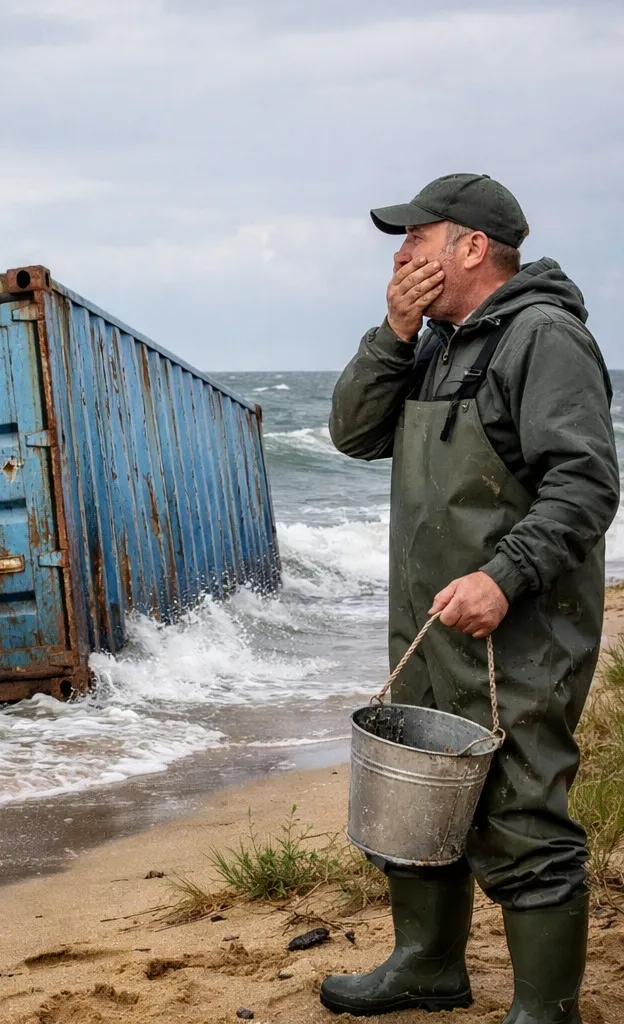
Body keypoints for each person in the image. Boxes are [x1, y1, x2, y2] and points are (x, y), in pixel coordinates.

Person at [324, 173, 619, 1023]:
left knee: (521, 811)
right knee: (417, 800)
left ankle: (544, 1009)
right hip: (428, 624)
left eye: (418, 235)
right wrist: (393, 332)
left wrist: (504, 575)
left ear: (472, 248)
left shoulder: (544, 337)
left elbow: (586, 483)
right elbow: (352, 432)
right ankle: (426, 968)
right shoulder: (434, 344)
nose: (402, 250)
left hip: (519, 627)